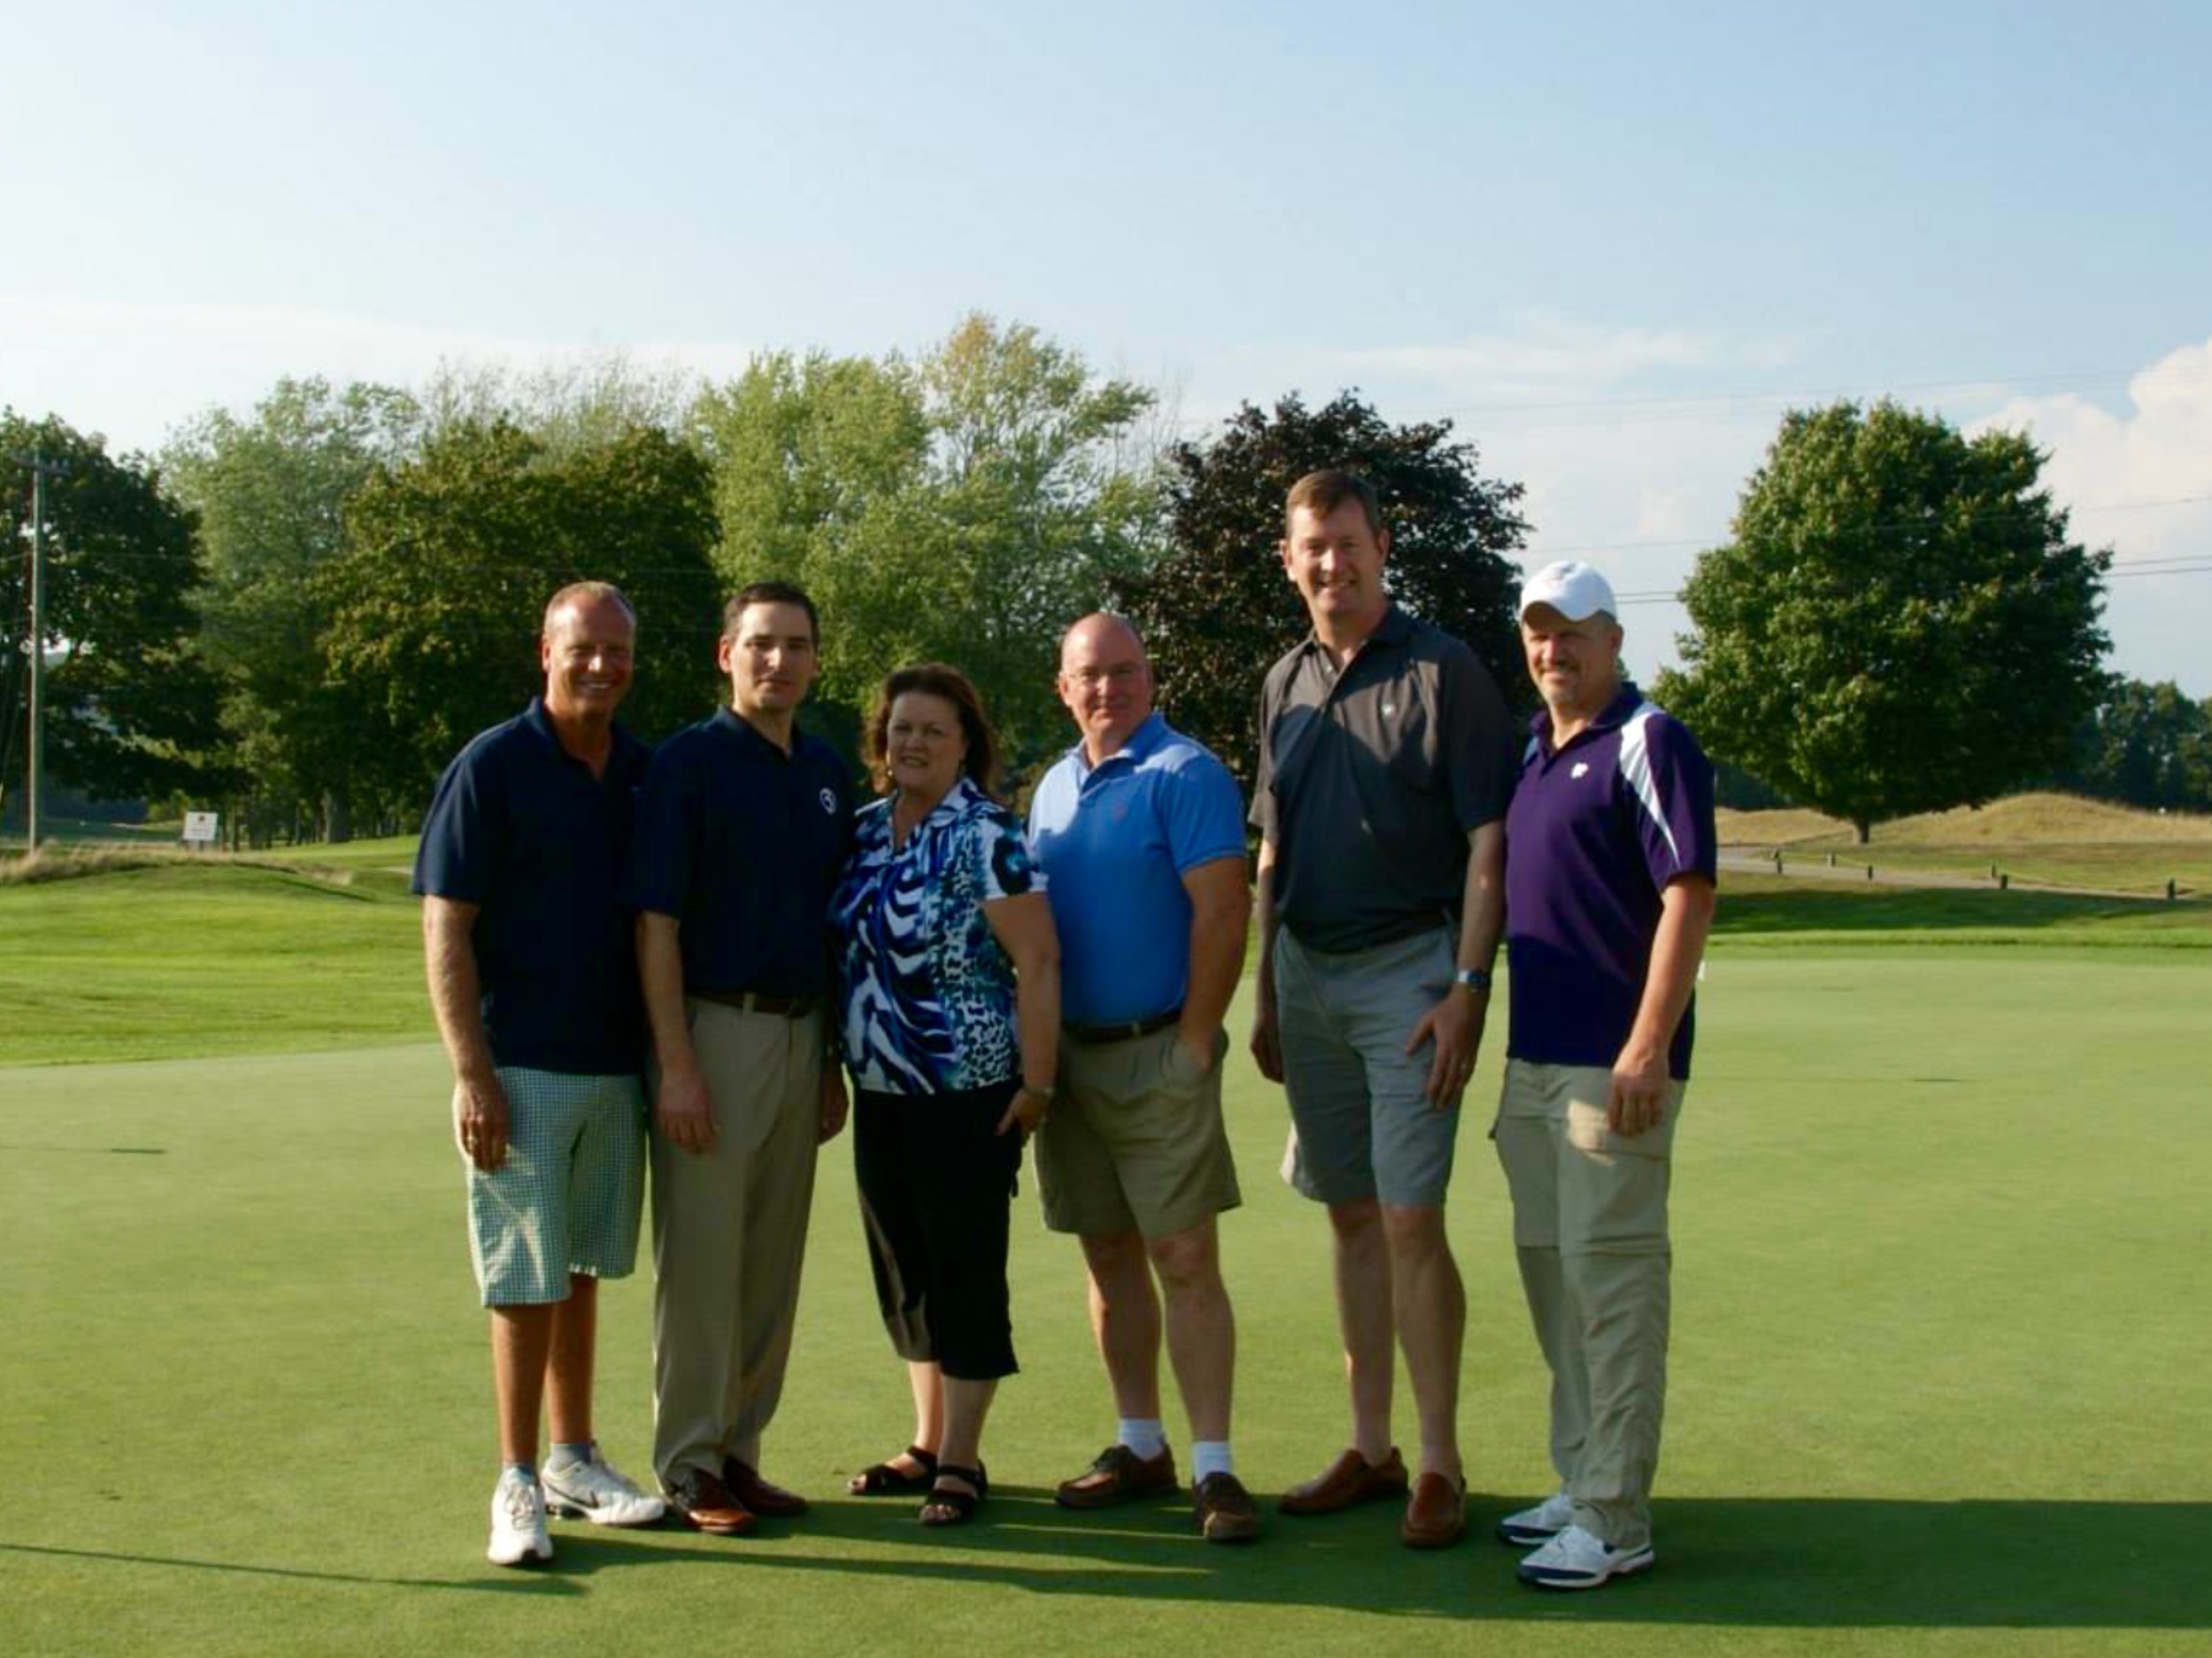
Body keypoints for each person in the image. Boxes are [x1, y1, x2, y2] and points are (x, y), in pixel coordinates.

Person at [1249, 469, 1518, 1549]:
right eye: (1313, 547)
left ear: (1381, 544)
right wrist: (1264, 988)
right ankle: (1371, 1446)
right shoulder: (1283, 681)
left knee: (1411, 1216)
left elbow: (1488, 844)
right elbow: (1271, 847)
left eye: (1348, 543)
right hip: (1306, 974)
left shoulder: (1445, 670)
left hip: (1412, 972)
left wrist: (1467, 986)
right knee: (1350, 1212)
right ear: (1290, 558)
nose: (1331, 563)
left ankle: (1440, 1459)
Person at [415, 580, 666, 1567]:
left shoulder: (643, 770)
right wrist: (471, 1072)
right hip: (518, 1060)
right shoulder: (495, 764)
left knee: (577, 1267)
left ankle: (573, 1455)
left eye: (616, 649)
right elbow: (447, 924)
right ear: (545, 651)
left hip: (614, 1066)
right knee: (524, 1275)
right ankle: (515, 1476)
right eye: (582, 648)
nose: (600, 664)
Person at [1492, 560, 1717, 1590]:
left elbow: (1687, 894)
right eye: (1539, 631)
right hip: (1532, 1065)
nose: (1554, 649)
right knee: (1555, 1281)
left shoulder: (1647, 739)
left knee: (1613, 1286)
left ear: (1614, 637)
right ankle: (1580, 1477)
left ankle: (1616, 1515)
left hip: (1607, 1069)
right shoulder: (1535, 751)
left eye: (1573, 630)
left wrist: (1645, 1046)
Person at [625, 581, 855, 1536]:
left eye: (796, 645)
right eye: (761, 643)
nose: (779, 660)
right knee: (706, 1264)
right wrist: (676, 1063)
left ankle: (739, 1449)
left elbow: (831, 923)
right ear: (727, 654)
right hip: (713, 1030)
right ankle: (687, 1462)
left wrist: (832, 1058)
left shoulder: (827, 770)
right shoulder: (687, 764)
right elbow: (657, 923)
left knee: (769, 1262)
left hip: (803, 1036)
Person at [1026, 614, 1258, 1544]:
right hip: (1070, 1062)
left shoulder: (1187, 773)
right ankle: (1139, 1441)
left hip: (1159, 1048)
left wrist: (1196, 1037)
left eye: (1125, 672)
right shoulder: (1047, 788)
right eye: (1091, 674)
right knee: (1108, 1255)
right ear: (1063, 685)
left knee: (1185, 1260)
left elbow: (1223, 912)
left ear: (1149, 677)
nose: (1108, 689)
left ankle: (1215, 1464)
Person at [832, 664, 1059, 1528]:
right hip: (880, 1089)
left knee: (963, 1269)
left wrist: (1038, 1084)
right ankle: (926, 1438)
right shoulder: (860, 833)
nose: (912, 741)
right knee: (905, 1271)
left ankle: (962, 1457)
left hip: (967, 1091)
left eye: (932, 728)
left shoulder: (988, 836)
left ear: (966, 741)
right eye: (900, 727)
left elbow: (1037, 962)